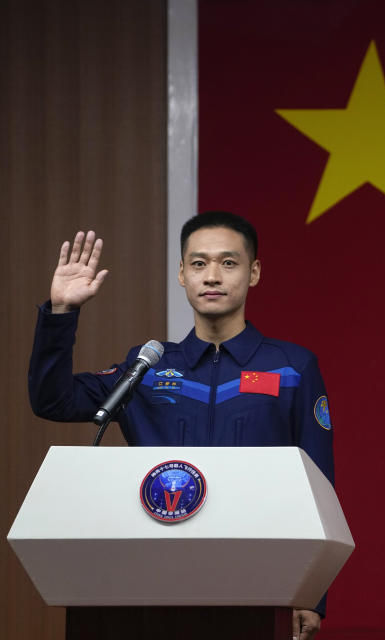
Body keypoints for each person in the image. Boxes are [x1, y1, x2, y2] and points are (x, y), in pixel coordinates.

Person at [28, 211, 332, 640]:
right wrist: (61, 312)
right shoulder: (147, 367)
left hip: (257, 580)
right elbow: (53, 401)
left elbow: (318, 482)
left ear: (254, 272)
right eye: (198, 263)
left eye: (228, 263)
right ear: (181, 275)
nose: (212, 275)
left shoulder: (292, 367)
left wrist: (310, 592)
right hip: (148, 582)